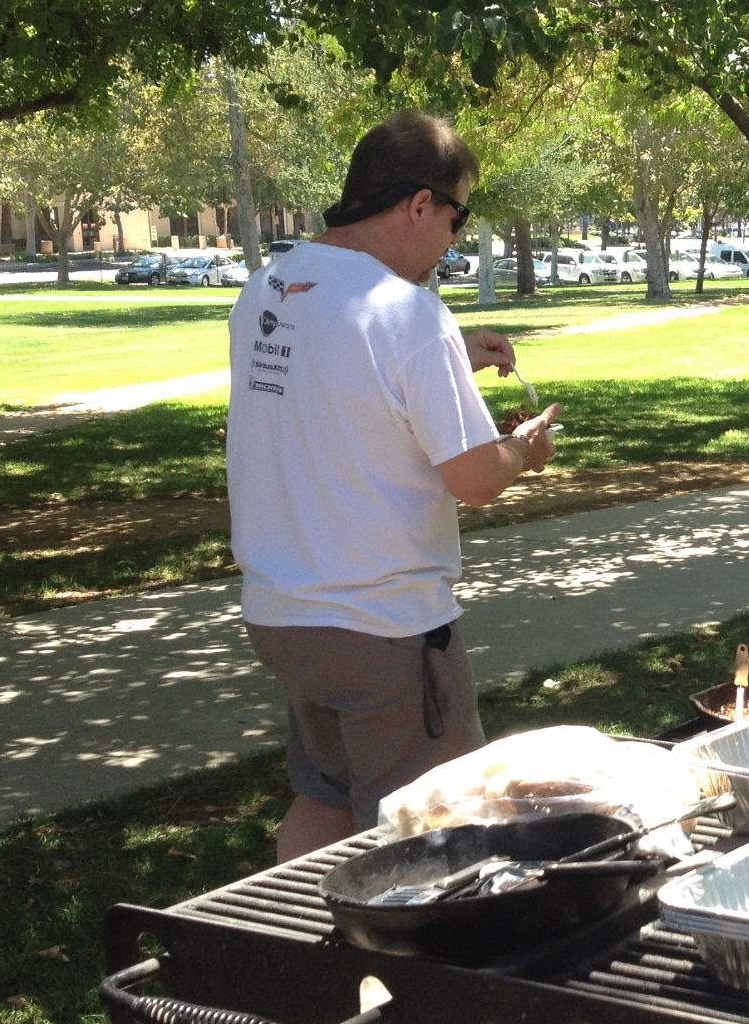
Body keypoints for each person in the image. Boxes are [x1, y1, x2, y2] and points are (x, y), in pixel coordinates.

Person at [226, 109, 561, 861]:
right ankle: (403, 973)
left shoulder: (270, 289)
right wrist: (523, 448)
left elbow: (335, 392)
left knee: (321, 799)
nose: (452, 241)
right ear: (419, 203)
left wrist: (449, 363)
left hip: (284, 615)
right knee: (429, 830)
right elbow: (474, 479)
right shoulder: (410, 313)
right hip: (382, 625)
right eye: (456, 217)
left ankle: (292, 954)